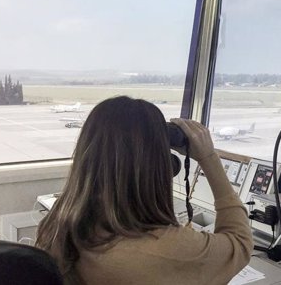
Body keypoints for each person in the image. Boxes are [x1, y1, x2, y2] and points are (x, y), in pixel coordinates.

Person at [35, 96, 252, 285]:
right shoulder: (171, 248)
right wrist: (209, 157)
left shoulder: (59, 223)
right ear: (160, 166)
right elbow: (240, 242)